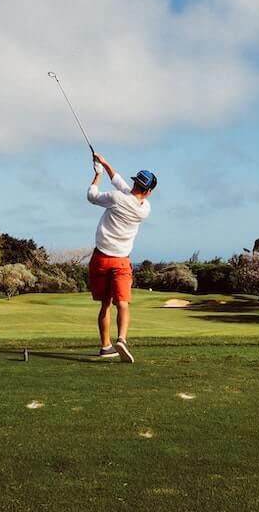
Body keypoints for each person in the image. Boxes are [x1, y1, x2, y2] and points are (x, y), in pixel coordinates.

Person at [86, 152, 157, 363]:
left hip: (101, 258)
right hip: (121, 261)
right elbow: (121, 184)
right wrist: (105, 163)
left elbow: (92, 195)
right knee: (123, 302)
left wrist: (97, 174)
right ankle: (122, 340)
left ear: (136, 183)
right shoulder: (145, 209)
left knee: (105, 305)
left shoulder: (116, 199)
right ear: (149, 191)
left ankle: (105, 346)